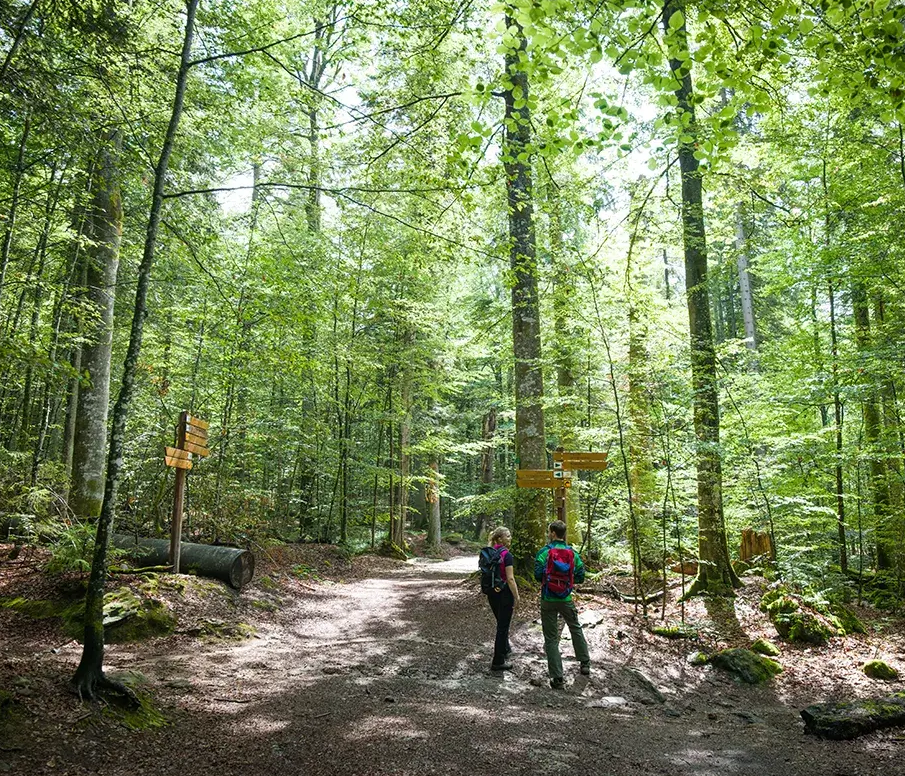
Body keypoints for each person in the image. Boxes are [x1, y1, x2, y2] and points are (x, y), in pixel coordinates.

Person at [534, 520, 590, 689]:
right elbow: (581, 575)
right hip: (566, 599)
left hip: (548, 599)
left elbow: (537, 575)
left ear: (552, 533)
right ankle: (585, 663)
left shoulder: (544, 553)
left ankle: (557, 677)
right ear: (564, 534)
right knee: (575, 628)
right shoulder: (572, 553)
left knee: (551, 638)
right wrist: (568, 583)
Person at [485, 526, 520, 671]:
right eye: (507, 536)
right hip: (504, 593)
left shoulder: (490, 552)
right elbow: (510, 579)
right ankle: (498, 660)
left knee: (501, 622)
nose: (510, 538)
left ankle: (505, 649)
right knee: (503, 627)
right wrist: (517, 596)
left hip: (492, 593)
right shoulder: (507, 555)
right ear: (500, 539)